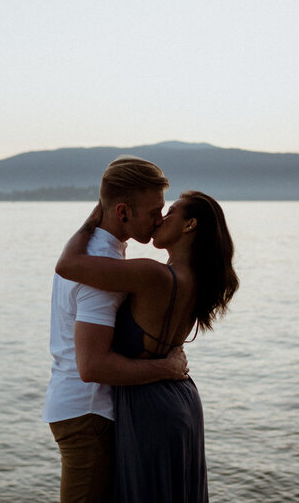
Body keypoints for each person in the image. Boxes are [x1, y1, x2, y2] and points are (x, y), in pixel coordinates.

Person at [56, 190, 239, 503]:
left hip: (150, 405)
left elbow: (68, 265)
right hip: (180, 399)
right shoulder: (196, 279)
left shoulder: (153, 274)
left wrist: (95, 217)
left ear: (189, 225)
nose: (160, 219)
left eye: (171, 214)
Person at [42, 157, 189, 503]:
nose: (159, 220)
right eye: (153, 211)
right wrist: (165, 368)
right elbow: (92, 366)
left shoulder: (94, 250)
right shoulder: (101, 272)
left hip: (80, 410)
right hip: (87, 415)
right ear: (122, 212)